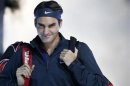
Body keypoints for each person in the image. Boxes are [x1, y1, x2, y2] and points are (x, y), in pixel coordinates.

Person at [0, 1, 112, 86]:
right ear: (35, 24)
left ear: (60, 24)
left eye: (51, 25)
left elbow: (103, 84)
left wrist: (74, 64)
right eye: (41, 25)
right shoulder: (23, 52)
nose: (46, 32)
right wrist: (18, 84)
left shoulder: (78, 49)